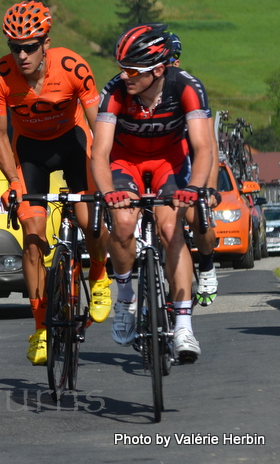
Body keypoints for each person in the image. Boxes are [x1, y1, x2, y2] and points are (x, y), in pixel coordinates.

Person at [0, 1, 108, 366]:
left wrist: (103, 177)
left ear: (46, 43)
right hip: (30, 153)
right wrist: (13, 182)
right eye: (14, 46)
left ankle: (100, 275)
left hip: (72, 143)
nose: (21, 54)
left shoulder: (73, 67)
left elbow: (99, 126)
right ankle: (40, 327)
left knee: (89, 221)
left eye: (29, 46)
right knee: (33, 238)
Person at [91, 23, 213, 363]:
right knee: (124, 224)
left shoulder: (186, 87)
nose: (125, 76)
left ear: (159, 69)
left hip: (168, 161)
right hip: (125, 161)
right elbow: (99, 153)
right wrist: (107, 194)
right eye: (121, 68)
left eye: (133, 70)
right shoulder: (116, 92)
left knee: (172, 230)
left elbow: (202, 148)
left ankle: (184, 326)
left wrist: (194, 188)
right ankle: (126, 297)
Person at [170, 33, 220, 306]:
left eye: (175, 59)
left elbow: (209, 147)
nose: (172, 64)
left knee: (200, 218)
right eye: (168, 59)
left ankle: (207, 264)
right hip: (164, 162)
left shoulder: (188, 87)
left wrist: (210, 189)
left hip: (191, 159)